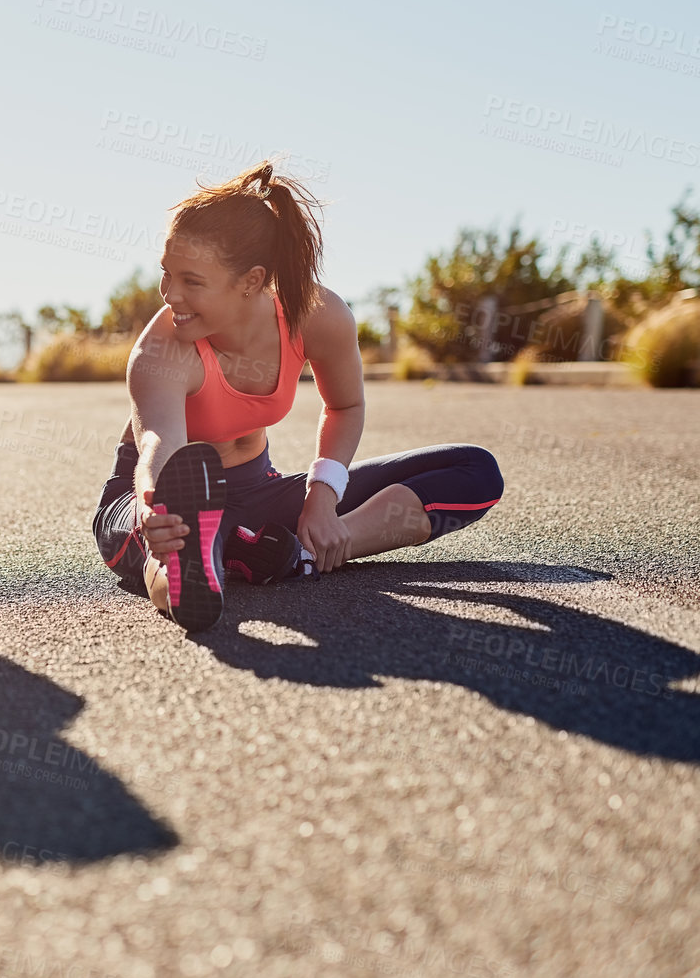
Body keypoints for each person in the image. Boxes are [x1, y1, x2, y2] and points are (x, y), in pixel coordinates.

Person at [91, 162, 503, 631]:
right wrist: (152, 507)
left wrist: (322, 499)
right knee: (179, 540)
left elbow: (345, 406)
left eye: (192, 281)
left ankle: (303, 551)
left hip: (260, 491)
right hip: (153, 497)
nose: (170, 295)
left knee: (474, 469)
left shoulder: (316, 315)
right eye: (166, 274)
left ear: (251, 280)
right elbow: (157, 443)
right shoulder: (161, 349)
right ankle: (192, 569)